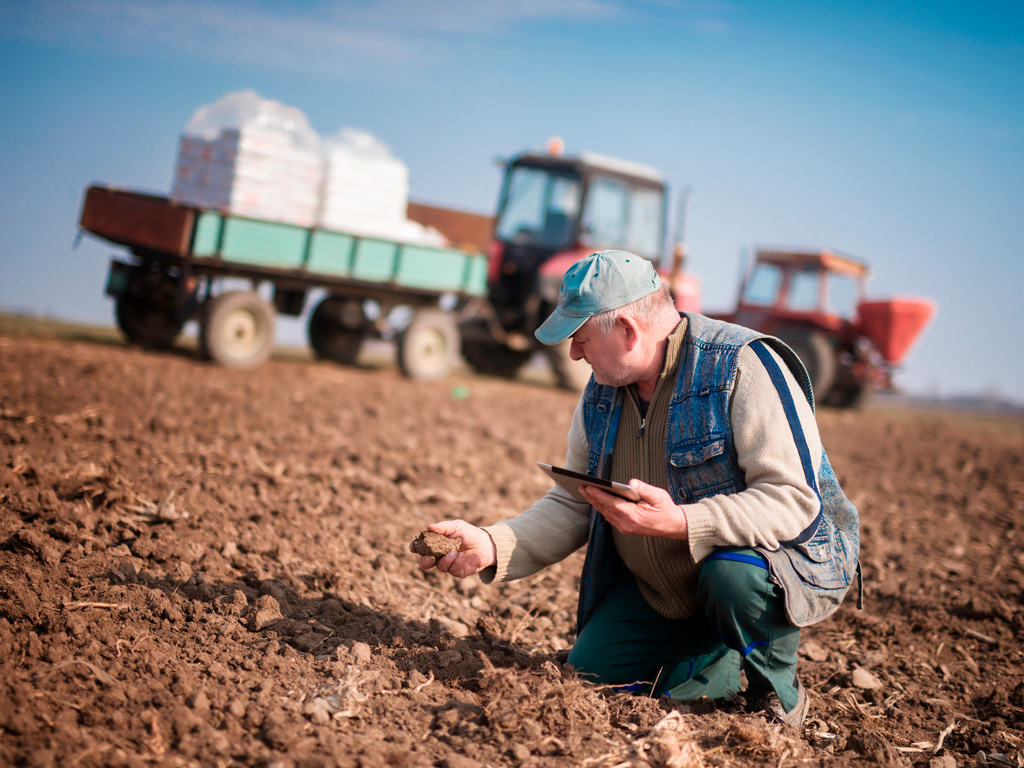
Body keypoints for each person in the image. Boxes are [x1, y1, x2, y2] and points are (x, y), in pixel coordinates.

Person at [412, 249, 861, 728]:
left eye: (580, 338)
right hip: (661, 590)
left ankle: (779, 691)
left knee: (730, 580)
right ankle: (714, 656)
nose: (574, 354)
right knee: (588, 679)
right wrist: (492, 543)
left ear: (628, 330)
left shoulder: (743, 366)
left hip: (761, 574)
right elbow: (573, 501)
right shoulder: (602, 389)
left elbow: (794, 502)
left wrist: (684, 521)